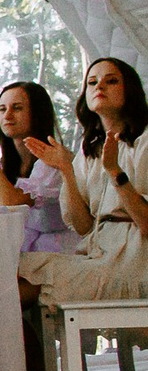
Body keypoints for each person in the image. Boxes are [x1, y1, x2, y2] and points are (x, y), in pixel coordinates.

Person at [17, 58, 148, 306]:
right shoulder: (90, 150)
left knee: (19, 292)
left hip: (135, 263)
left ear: (129, 90)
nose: (99, 86)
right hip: (97, 254)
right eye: (92, 82)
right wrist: (66, 169)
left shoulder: (144, 142)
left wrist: (115, 171)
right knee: (10, 270)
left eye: (111, 81)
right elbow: (84, 227)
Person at [0, 81, 81, 253]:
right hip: (17, 252)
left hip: (58, 253)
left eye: (17, 108)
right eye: (2, 109)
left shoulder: (54, 161)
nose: (8, 116)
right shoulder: (4, 163)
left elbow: (12, 202)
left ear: (37, 113)